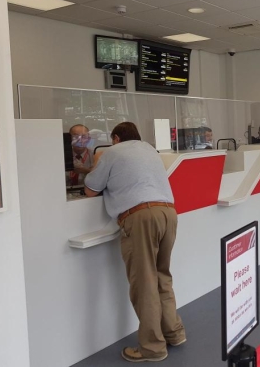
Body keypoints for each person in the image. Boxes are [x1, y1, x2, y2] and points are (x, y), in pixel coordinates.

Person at [84, 122, 185, 363]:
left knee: (144, 283)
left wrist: (98, 162)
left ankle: (152, 348)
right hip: (168, 213)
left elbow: (90, 189)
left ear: (116, 138)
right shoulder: (150, 150)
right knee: (162, 275)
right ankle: (174, 332)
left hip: (140, 217)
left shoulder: (112, 152)